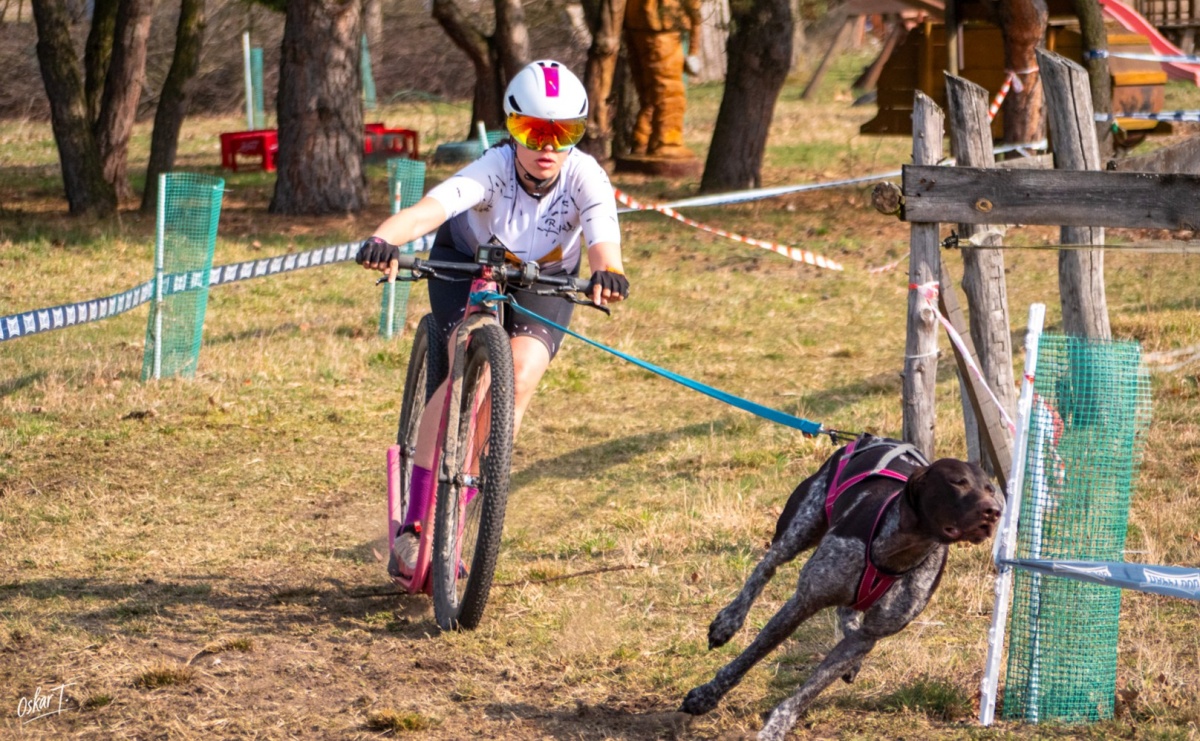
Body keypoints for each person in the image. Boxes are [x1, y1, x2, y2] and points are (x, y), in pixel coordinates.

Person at [356, 60, 629, 579]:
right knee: (467, 372)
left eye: (564, 133)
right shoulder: (492, 169)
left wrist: (607, 273)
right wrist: (385, 238)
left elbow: (603, 242)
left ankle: (471, 487)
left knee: (519, 374)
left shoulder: (585, 175)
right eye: (534, 131)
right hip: (467, 261)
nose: (548, 147)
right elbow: (428, 211)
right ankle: (415, 526)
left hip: (545, 276)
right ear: (511, 128)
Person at [624, 0, 703, 158]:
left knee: (650, 94)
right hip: (660, 26)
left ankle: (642, 139)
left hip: (636, 22)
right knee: (670, 91)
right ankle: (667, 142)